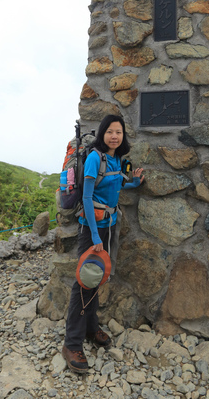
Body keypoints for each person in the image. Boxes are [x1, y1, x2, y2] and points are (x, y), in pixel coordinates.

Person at [62, 114, 144, 373]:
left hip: (109, 226)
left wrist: (135, 183)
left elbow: (116, 184)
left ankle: (90, 327)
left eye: (118, 132)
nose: (114, 136)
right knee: (84, 280)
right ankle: (72, 343)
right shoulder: (95, 157)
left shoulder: (117, 159)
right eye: (109, 131)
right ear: (102, 133)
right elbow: (87, 197)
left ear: (123, 136)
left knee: (97, 277)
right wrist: (96, 237)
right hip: (92, 229)